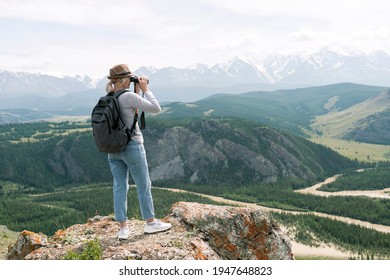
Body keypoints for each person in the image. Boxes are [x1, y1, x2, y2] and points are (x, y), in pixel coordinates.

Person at [105, 64, 171, 239]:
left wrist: (136, 92)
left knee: (120, 186)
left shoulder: (110, 97)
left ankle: (123, 228)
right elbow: (156, 108)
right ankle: (150, 223)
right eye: (129, 78)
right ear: (123, 79)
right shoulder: (129, 97)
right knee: (143, 185)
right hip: (132, 146)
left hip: (113, 149)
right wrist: (145, 89)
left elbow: (131, 112)